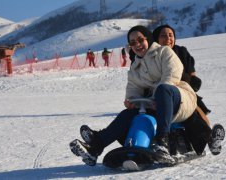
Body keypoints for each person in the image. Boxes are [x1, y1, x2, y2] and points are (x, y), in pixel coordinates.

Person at [69, 25, 198, 166]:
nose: (137, 44)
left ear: (147, 38)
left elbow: (172, 73)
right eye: (132, 43)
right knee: (128, 114)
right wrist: (131, 101)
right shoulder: (135, 67)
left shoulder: (164, 52)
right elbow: (133, 88)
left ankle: (163, 143)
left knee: (163, 89)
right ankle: (95, 147)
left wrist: (157, 97)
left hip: (179, 98)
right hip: (155, 105)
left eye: (140, 40)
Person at [152, 24, 225, 155]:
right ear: (156, 39)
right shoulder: (152, 55)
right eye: (163, 35)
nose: (168, 38)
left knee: (196, 112)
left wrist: (194, 81)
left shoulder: (181, 51)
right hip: (163, 92)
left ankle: (210, 140)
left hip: (184, 91)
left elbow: (192, 73)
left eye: (171, 35)